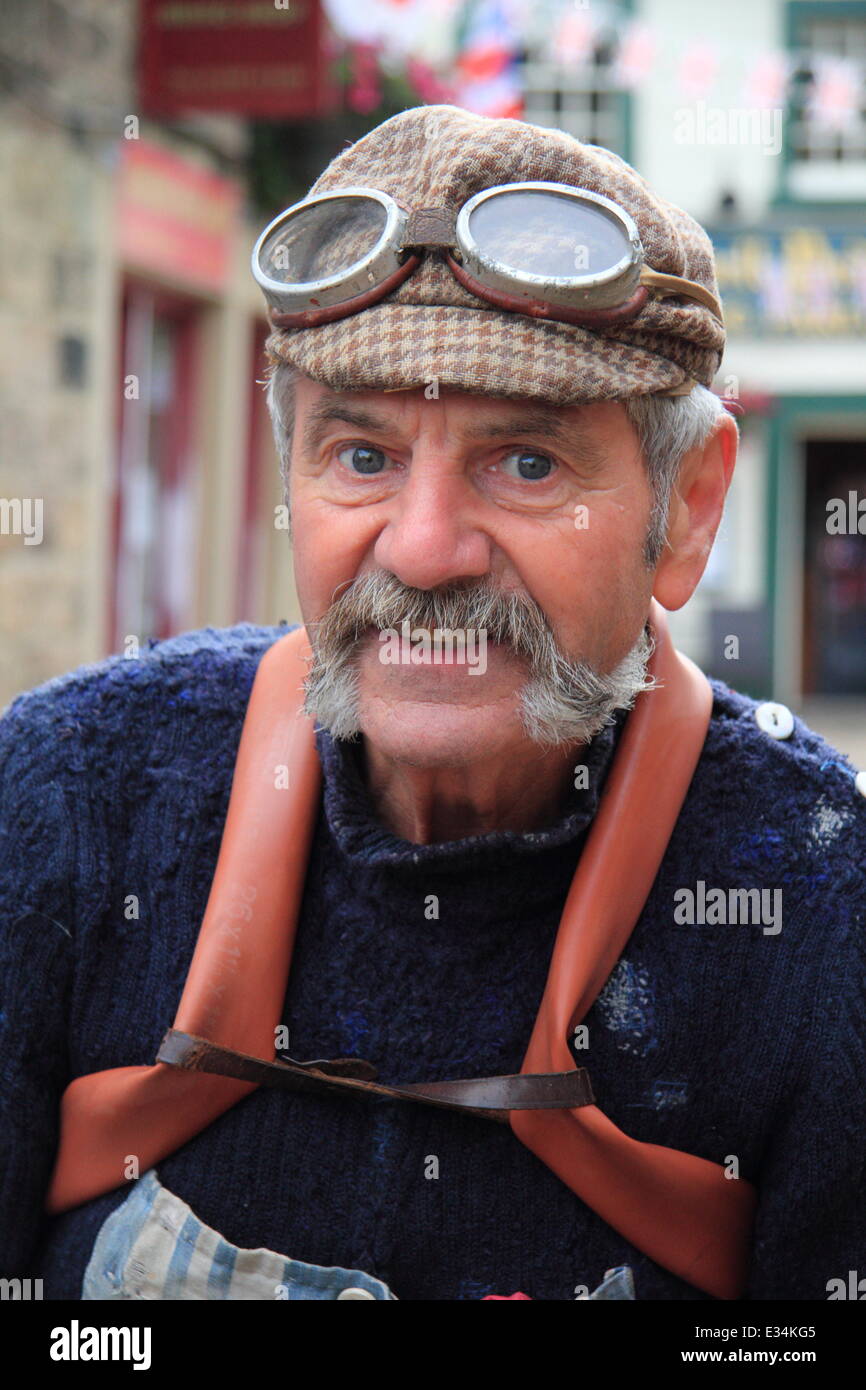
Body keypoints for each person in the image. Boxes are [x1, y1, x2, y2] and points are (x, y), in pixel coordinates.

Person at [1, 105, 864, 1302]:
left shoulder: (824, 905)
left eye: (526, 462)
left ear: (689, 508)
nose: (423, 550)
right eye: (361, 456)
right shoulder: (65, 798)